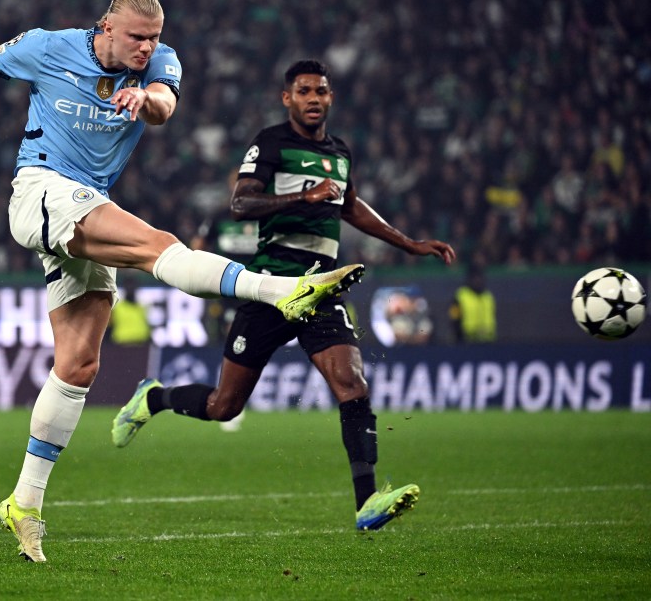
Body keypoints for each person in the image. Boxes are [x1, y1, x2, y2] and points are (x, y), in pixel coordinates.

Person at [0, 0, 363, 563]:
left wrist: (147, 101)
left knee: (79, 364)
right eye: (136, 37)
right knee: (156, 246)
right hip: (40, 190)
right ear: (107, 28)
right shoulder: (47, 47)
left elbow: (165, 103)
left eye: (154, 38)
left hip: (86, 203)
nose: (146, 47)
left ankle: (24, 501)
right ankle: (282, 290)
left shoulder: (160, 64)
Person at [111, 59, 457, 531]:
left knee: (352, 384)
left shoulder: (340, 151)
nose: (314, 98)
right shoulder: (271, 143)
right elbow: (240, 203)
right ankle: (154, 399)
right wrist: (302, 197)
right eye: (304, 91)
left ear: (331, 98)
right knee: (223, 406)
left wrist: (409, 243)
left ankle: (367, 501)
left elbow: (351, 206)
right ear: (287, 98)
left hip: (323, 286)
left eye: (322, 91)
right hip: (273, 286)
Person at [449, 260, 497, 343]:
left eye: (480, 277)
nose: (478, 280)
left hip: (488, 341)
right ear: (469, 278)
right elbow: (454, 318)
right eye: (475, 277)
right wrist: (459, 339)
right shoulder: (460, 295)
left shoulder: (488, 296)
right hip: (468, 341)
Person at [108, 274, 152, 345]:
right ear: (124, 287)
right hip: (121, 345)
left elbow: (148, 327)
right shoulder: (117, 307)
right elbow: (109, 328)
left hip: (141, 344)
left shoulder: (143, 307)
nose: (131, 288)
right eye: (128, 285)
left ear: (137, 287)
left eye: (133, 286)